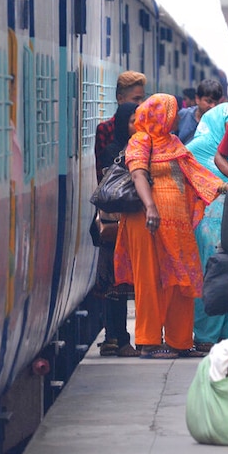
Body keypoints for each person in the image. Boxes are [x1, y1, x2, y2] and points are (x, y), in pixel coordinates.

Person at [113, 94, 228, 359]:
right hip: (146, 222)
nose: (178, 117)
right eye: (173, 112)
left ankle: (179, 341)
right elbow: (138, 172)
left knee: (183, 278)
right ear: (159, 115)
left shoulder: (174, 142)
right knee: (150, 280)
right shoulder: (141, 140)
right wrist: (151, 207)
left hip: (177, 225)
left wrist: (224, 186)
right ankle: (149, 342)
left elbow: (196, 173)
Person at [186, 102, 228, 353]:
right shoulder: (195, 151)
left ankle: (225, 332)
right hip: (203, 225)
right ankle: (204, 334)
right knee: (207, 275)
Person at [93, 102, 140, 357]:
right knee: (115, 284)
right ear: (123, 123)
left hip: (136, 224)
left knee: (138, 283)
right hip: (117, 225)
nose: (137, 125)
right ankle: (117, 338)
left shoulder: (144, 147)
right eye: (132, 120)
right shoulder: (114, 150)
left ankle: (138, 338)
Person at [95, 71, 146, 159]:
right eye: (136, 99)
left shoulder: (146, 127)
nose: (141, 104)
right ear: (120, 99)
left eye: (142, 99)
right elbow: (102, 170)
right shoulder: (106, 129)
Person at [177, 79, 224, 144]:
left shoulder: (220, 123)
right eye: (209, 101)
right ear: (197, 99)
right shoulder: (183, 116)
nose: (213, 106)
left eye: (216, 103)